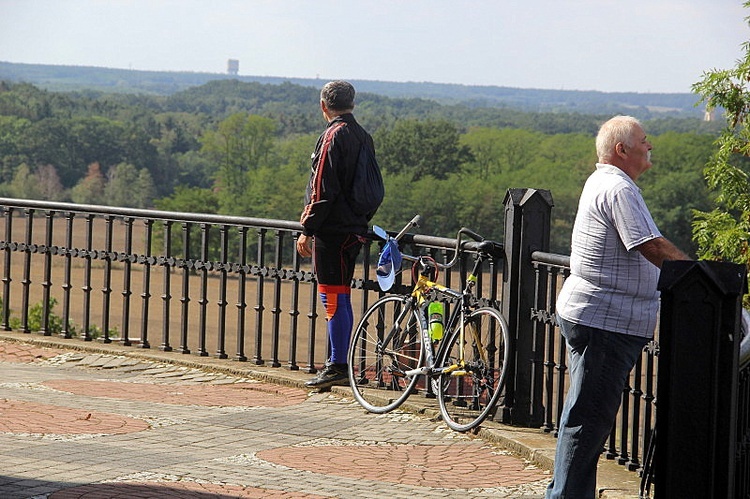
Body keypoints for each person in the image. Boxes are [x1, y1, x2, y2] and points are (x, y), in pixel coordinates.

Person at [546, 115, 690, 498]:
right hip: (605, 321)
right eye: (644, 140)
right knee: (588, 419)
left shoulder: (605, 182)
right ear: (621, 149)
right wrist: (697, 277)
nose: (650, 146)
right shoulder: (618, 188)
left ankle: (566, 492)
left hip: (598, 317)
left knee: (585, 415)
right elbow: (650, 244)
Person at [297, 80, 375, 390]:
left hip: (332, 231)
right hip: (354, 228)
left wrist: (308, 229)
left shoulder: (332, 135)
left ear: (323, 106)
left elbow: (322, 190)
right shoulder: (362, 135)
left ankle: (337, 365)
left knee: (331, 298)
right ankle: (336, 361)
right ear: (352, 104)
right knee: (340, 296)